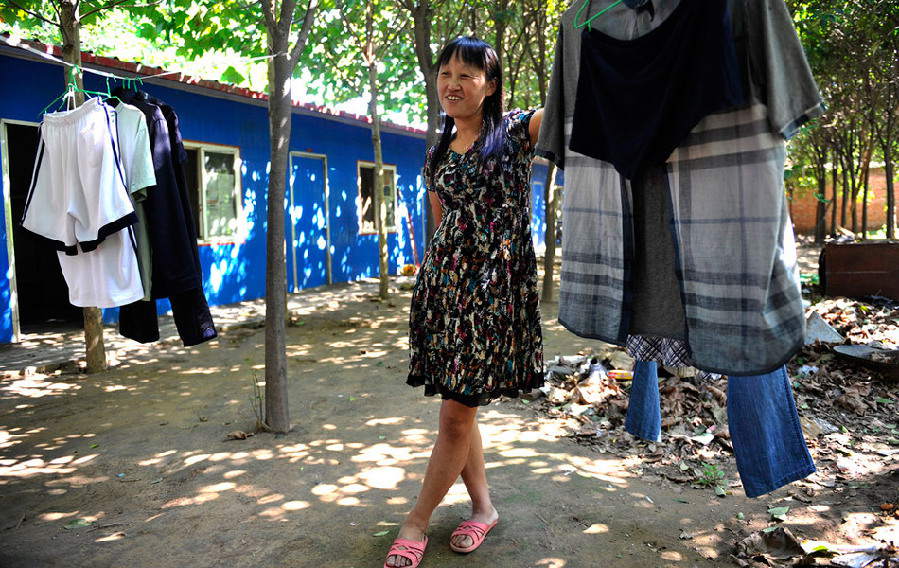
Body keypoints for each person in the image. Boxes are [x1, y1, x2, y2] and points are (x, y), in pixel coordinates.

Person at [384, 36, 545, 568]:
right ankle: (483, 509)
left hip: (494, 296)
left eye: (467, 75)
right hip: (447, 292)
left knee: (456, 415)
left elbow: (573, 110)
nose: (452, 84)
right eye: (445, 73)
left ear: (491, 85)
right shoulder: (436, 149)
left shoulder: (518, 131)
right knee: (460, 407)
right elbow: (440, 221)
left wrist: (589, 42)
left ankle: (416, 521)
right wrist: (437, 285)